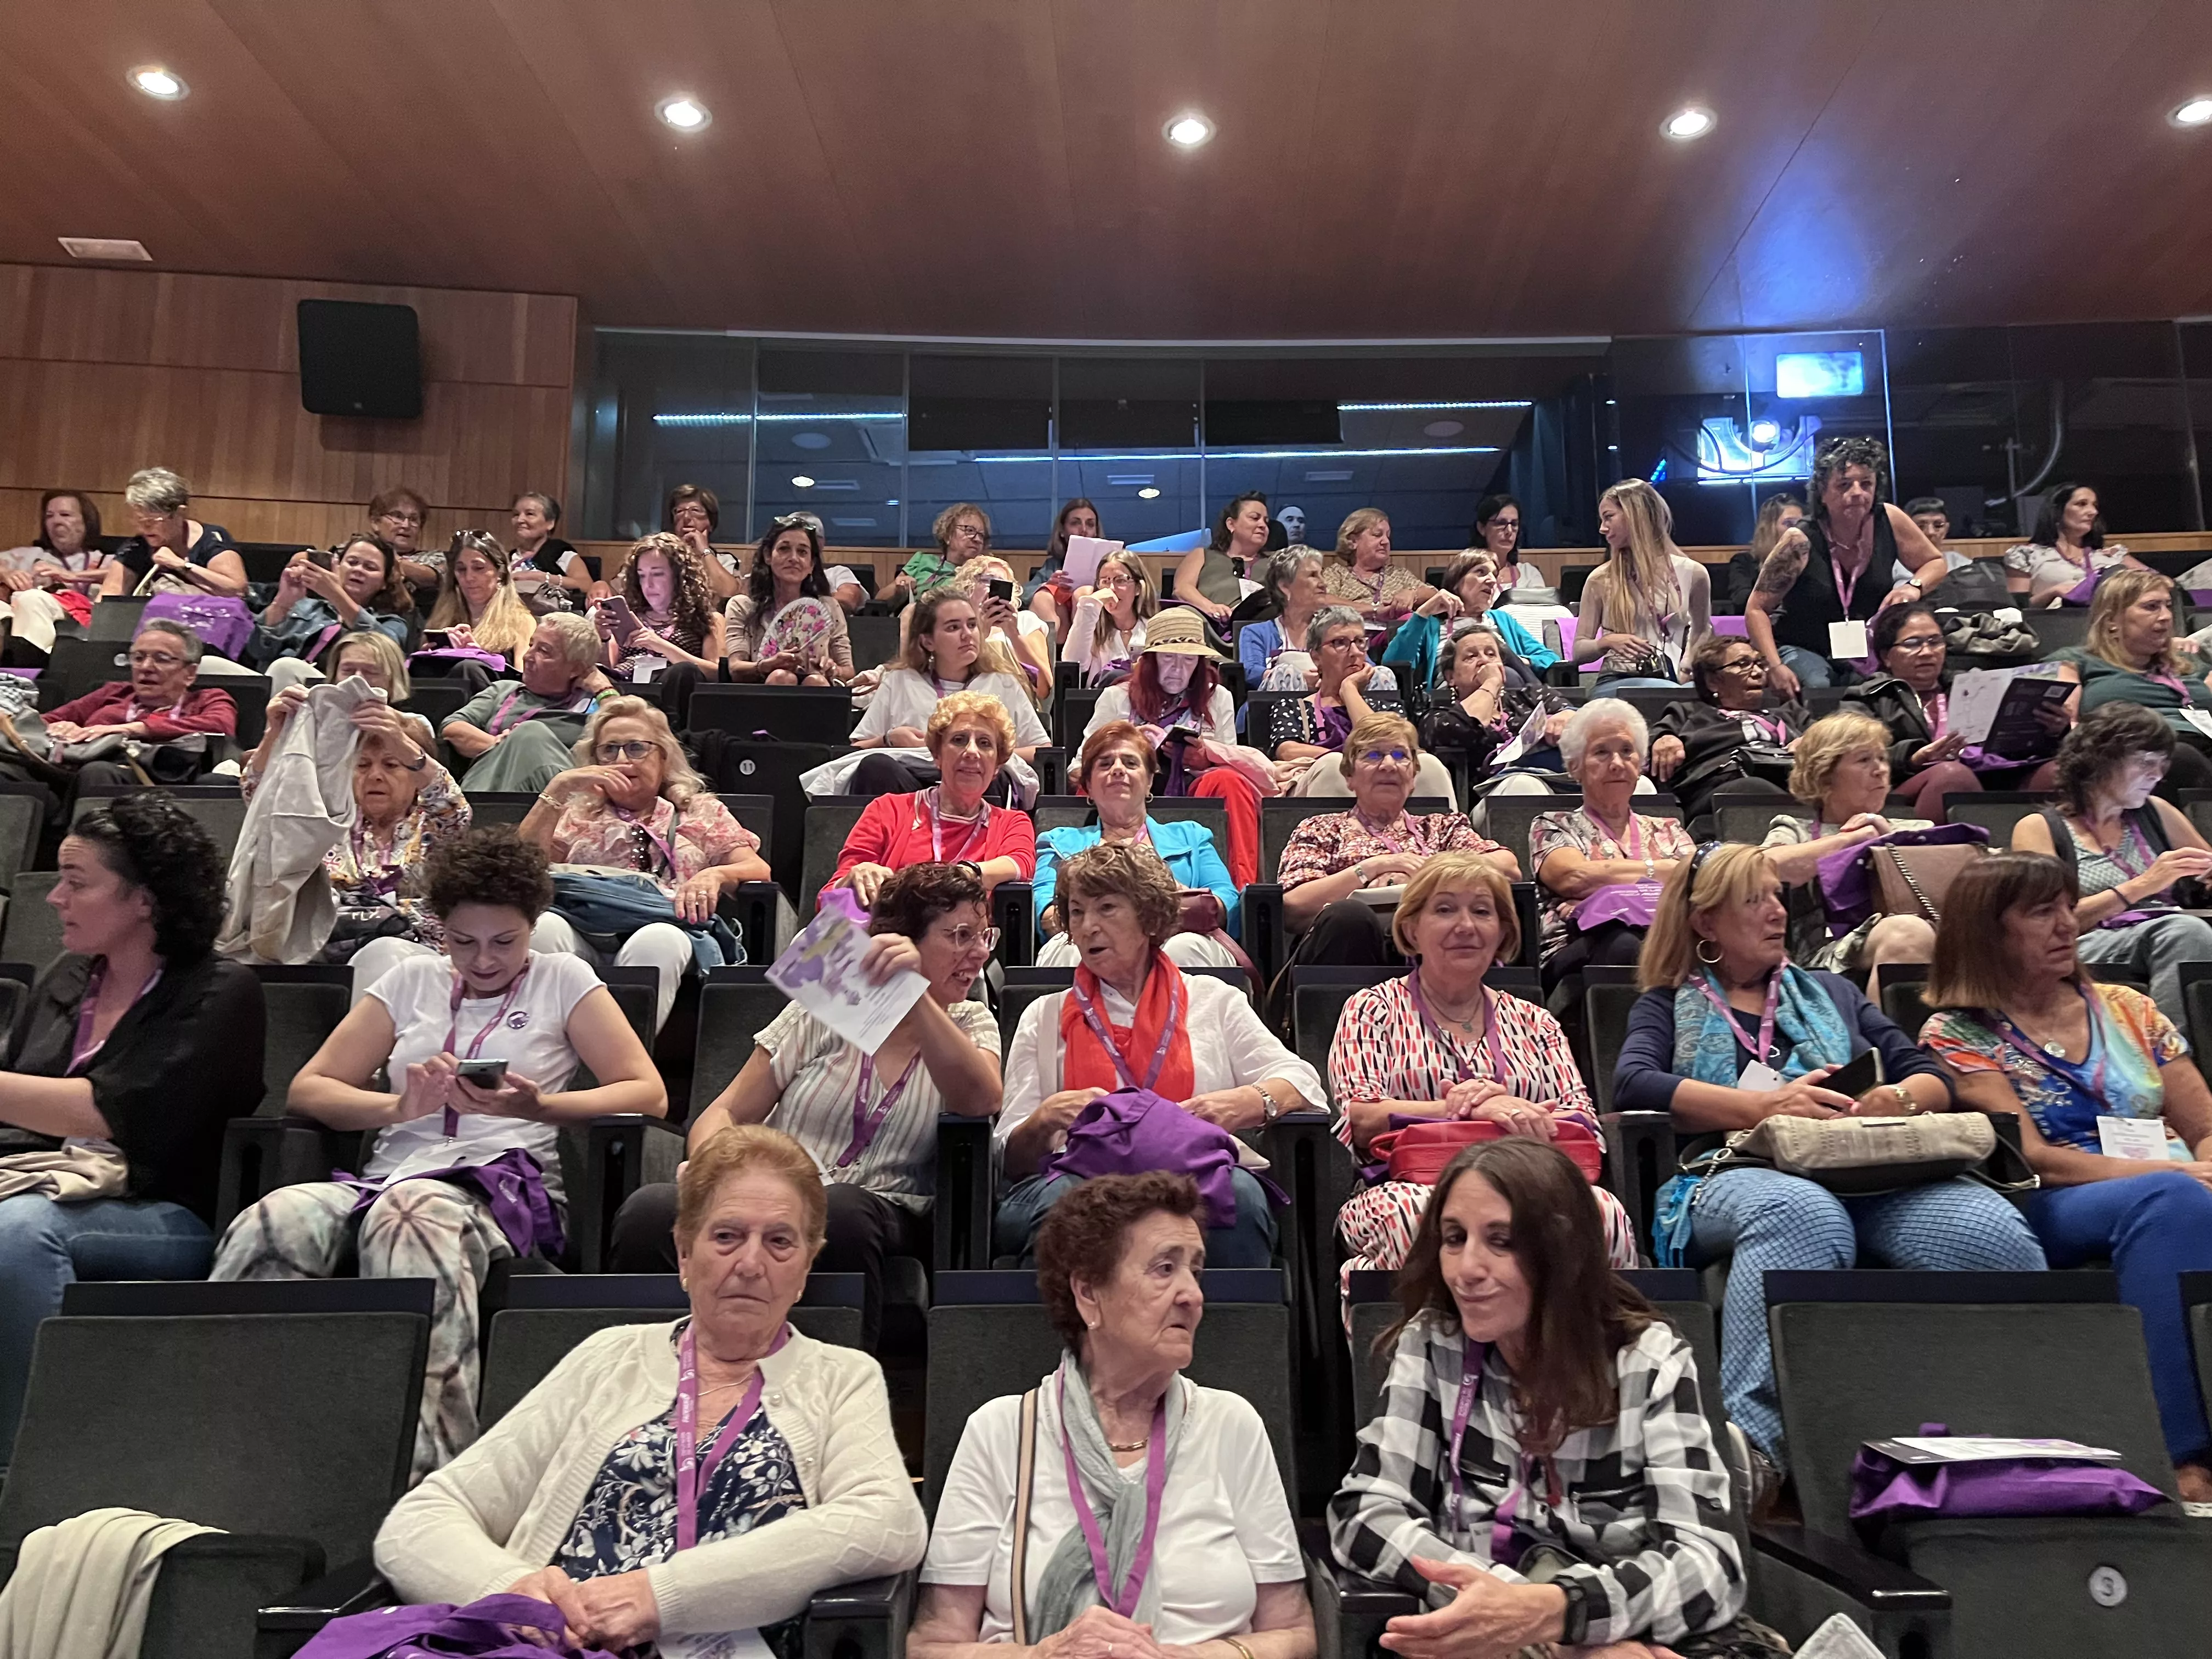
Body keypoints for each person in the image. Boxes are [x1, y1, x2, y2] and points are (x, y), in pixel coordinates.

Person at [212, 828, 665, 1475]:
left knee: (413, 1216)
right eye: (463, 942)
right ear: (439, 931)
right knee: (272, 1219)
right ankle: (240, 1449)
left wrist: (538, 1107)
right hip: (389, 1175)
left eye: (504, 942)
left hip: (503, 1187)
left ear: (533, 926)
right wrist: (397, 1109)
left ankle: (433, 1475)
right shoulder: (409, 980)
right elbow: (311, 1089)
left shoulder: (564, 979)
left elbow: (646, 1093)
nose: (483, 960)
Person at [375, 1126, 927, 1641]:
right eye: (727, 1236)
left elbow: (888, 1523)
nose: (752, 1263)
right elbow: (418, 1523)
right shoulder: (609, 1358)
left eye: (780, 1242)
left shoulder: (842, 1378)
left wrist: (661, 1595)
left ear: (807, 1267)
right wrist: (512, 1592)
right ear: (685, 1254)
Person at [1614, 844, 2045, 1488]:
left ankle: (2013, 1434)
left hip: (1867, 1167)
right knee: (1802, 1217)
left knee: (1991, 1235)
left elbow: (1929, 1076)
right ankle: (1752, 1456)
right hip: (1735, 1171)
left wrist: (1890, 1099)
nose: (1775, 911)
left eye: (1777, 896)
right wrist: (1766, 1106)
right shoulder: (1667, 1004)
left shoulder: (1834, 994)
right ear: (1706, 922)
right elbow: (1634, 1085)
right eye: (1753, 899)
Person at [1330, 1138, 1767, 1657]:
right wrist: (1520, 1615)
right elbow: (1364, 1514)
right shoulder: (1434, 1343)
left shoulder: (1649, 1361)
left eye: (1501, 1241)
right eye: (1454, 1238)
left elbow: (1710, 1563)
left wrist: (1565, 1613)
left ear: (1561, 1250)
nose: (1467, 1268)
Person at [913, 1172, 1316, 1659]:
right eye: (1165, 1269)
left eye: (1196, 1271)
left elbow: (1296, 1632)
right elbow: (932, 1644)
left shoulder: (1232, 1424)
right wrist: (1043, 1656)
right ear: (1088, 1294)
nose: (1192, 1294)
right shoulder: (1001, 1431)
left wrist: (1185, 1658)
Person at [1920, 855, 2212, 1500]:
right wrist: (2181, 1172)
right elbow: (2033, 1155)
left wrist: (2205, 1165)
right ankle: (2181, 1457)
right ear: (1989, 933)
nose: (2066, 924)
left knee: (2178, 1198)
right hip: (2051, 1201)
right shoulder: (1958, 1031)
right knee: (2168, 1198)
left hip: (2170, 1181)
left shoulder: (2127, 1009)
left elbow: (2202, 1122)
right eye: (2041, 912)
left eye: (2066, 906)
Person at [610, 866, 1002, 1344]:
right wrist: (716, 1168)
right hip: (772, 1187)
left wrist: (914, 998)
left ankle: (831, 1393)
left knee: (841, 1211)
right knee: (649, 1211)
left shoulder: (970, 1021)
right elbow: (728, 1112)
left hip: (880, 1204)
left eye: (983, 936)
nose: (979, 953)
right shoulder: (831, 1002)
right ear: (901, 940)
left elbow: (980, 1098)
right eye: (960, 936)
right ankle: (655, 1380)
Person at [0, 793, 261, 1449]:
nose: (55, 897)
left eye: (77, 882)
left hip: (161, 1208)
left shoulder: (220, 992)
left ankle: (31, 1463)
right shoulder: (68, 978)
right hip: (44, 1182)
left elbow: (116, 1114)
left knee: (18, 1236)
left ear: (144, 899)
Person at [998, 844, 1323, 1265]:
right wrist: (1042, 1122)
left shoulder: (1213, 999)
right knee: (1063, 1202)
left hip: (1188, 1173)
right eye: (1077, 913)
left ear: (1149, 919)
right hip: (1076, 1176)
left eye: (1107, 908)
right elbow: (1007, 1157)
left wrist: (1243, 1102)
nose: (1088, 927)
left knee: (1240, 1197)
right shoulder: (1044, 1015)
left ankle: (1233, 1331)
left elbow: (1301, 1081)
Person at [1329, 857, 1637, 1296]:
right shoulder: (1371, 1009)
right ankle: (1428, 1359)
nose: (1466, 926)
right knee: (1415, 1220)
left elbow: (1584, 1122)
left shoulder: (1535, 1021)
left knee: (1603, 1215)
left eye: (1482, 911)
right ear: (1412, 929)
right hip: (1411, 1184)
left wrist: (1522, 1116)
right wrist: (1474, 1108)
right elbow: (1359, 1117)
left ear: (1502, 932)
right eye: (1445, 910)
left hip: (1529, 1180)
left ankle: (1572, 1360)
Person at [523, 697, 770, 1030]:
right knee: (543, 929)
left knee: (659, 940)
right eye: (609, 750)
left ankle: (622, 1071)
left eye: (636, 748)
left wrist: (715, 875)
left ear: (663, 757)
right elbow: (520, 866)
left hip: (664, 925)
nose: (622, 760)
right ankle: (548, 1061)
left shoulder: (699, 812)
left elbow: (757, 869)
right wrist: (559, 788)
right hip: (583, 927)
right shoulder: (576, 815)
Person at [242, 679, 472, 996]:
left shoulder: (435, 824)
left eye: (391, 765)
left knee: (384, 956)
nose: (375, 775)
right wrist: (275, 733)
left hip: (415, 952)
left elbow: (456, 809)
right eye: (362, 764)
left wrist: (398, 740)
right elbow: (261, 800)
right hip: (323, 947)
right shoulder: (326, 818)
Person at [2010, 703, 2212, 1028]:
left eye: (2163, 764)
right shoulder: (2039, 828)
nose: (2158, 775)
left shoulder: (2157, 811)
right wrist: (2142, 885)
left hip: (2165, 931)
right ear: (2099, 760)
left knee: (2183, 931)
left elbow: (2206, 871)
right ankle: (2173, 1053)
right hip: (2084, 944)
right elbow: (2045, 922)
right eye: (2146, 762)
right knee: (2183, 932)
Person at [1278, 714, 1515, 972]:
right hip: (1345, 956)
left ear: (1413, 778)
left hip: (1431, 954)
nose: (1389, 765)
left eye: (1401, 756)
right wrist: (1374, 868)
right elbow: (1294, 908)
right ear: (1349, 777)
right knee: (1348, 917)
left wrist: (1426, 877)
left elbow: (1508, 867)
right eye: (1373, 755)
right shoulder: (1320, 828)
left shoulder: (1442, 826)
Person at [1744, 434, 1950, 695]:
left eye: (1866, 484)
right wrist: (1774, 666)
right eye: (1844, 485)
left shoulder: (1889, 519)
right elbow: (1756, 609)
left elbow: (1934, 562)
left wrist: (1913, 587)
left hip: (1864, 648)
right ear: (1822, 493)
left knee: (1887, 689)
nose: (1857, 493)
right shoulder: (1799, 540)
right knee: (1819, 687)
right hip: (1803, 646)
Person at [1035, 721, 1240, 969]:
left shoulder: (1191, 836)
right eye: (1105, 764)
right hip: (1090, 937)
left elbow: (1226, 901)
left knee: (1184, 947)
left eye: (1131, 763)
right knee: (1068, 949)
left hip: (1177, 936)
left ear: (1150, 781)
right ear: (1088, 786)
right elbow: (1047, 914)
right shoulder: (1058, 842)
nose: (1118, 770)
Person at [1082, 611, 1263, 885]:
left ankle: (1242, 890)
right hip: (1131, 786)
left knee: (1229, 781)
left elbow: (1231, 757)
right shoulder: (1117, 697)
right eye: (1168, 657)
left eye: (1189, 659)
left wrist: (1204, 757)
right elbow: (1079, 768)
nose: (1178, 669)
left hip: (1193, 786)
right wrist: (1128, 742)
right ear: (1150, 660)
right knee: (1098, 778)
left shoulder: (1218, 698)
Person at [1528, 699, 1695, 995]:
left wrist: (1609, 892)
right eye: (1602, 752)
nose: (1617, 763)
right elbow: (1573, 877)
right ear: (1574, 766)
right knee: (1625, 942)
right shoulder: (1553, 826)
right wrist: (1665, 873)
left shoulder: (1668, 828)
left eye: (1627, 751)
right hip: (1578, 949)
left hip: (1666, 937)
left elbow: (1697, 882)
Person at [1758, 712, 1938, 981]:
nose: (1880, 770)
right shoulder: (1795, 830)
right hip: (1827, 956)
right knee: (1905, 933)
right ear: (1825, 776)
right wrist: (1850, 840)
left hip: (1929, 938)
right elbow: (1760, 868)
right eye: (1864, 760)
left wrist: (1889, 843)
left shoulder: (1918, 830)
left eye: (1882, 758)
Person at [1845, 601, 2058, 817]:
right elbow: (1850, 757)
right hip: (1912, 782)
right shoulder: (1867, 696)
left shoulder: (1974, 684)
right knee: (1953, 776)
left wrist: (2052, 730)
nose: (1927, 652)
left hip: (1990, 774)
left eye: (1935, 642)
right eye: (1913, 643)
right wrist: (1912, 757)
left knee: (2058, 772)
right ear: (1886, 657)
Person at [830, 692, 1039, 907]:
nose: (972, 752)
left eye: (985, 743)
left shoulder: (1011, 823)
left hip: (965, 937)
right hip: (889, 936)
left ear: (997, 765)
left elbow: (1021, 863)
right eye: (959, 740)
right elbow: (832, 893)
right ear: (937, 755)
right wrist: (858, 874)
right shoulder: (887, 809)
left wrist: (969, 872)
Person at [12, 620, 239, 811]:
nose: (146, 667)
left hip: (157, 780)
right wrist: (62, 727)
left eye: (161, 658)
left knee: (99, 771)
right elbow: (45, 721)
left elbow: (220, 725)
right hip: (72, 770)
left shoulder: (207, 699)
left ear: (189, 674)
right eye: (138, 658)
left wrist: (131, 729)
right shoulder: (114, 692)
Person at [2045, 568, 2212, 794]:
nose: (2166, 616)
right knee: (2181, 758)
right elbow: (2069, 723)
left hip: (2204, 743)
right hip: (2136, 752)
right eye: (2151, 607)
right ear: (2112, 620)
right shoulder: (2077, 661)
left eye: (2168, 606)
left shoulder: (2187, 662)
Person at [850, 590, 1047, 774]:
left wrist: (988, 754)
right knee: (876, 767)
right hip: (915, 780)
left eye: (972, 625)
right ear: (928, 642)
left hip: (982, 781)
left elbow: (1042, 751)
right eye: (953, 627)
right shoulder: (900, 681)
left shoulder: (1003, 683)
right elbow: (854, 750)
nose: (967, 634)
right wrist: (888, 739)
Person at [441, 613, 613, 795]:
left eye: (544, 651)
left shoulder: (591, 706)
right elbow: (453, 727)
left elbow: (626, 730)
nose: (528, 656)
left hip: (558, 798)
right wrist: (504, 745)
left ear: (576, 669)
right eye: (531, 645)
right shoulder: (504, 690)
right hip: (497, 786)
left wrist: (603, 688)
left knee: (531, 733)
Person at [1648, 637, 1811, 828]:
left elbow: (1835, 736)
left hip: (1789, 780)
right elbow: (1653, 737)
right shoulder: (1688, 713)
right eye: (1743, 664)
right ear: (1713, 681)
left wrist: (1813, 740)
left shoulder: (1790, 714)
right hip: (1718, 791)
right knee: (1750, 787)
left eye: (1759, 663)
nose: (1758, 673)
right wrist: (1664, 738)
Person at [1254, 606, 1420, 788]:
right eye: (1340, 643)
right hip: (1315, 784)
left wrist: (1349, 690)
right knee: (1333, 766)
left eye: (1359, 641)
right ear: (1316, 657)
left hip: (1381, 780)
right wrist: (1351, 762)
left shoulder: (1386, 708)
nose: (1355, 652)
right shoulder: (1293, 706)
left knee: (1430, 765)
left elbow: (1386, 744)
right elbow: (1287, 750)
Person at [1572, 479, 1712, 689]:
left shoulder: (1694, 573)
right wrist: (1608, 642)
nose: (1602, 528)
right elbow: (1579, 650)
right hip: (1618, 679)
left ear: (1635, 515)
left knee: (1694, 694)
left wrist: (1687, 665)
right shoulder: (1600, 579)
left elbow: (1702, 630)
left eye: (1609, 517)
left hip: (1670, 678)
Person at [1414, 624, 1572, 782]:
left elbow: (1571, 712)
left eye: (1491, 654)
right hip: (1489, 799)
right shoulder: (1437, 717)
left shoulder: (1531, 696)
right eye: (1471, 656)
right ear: (1451, 677)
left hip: (1554, 782)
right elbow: (1461, 729)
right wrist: (1491, 682)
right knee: (1523, 782)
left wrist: (1567, 717)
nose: (1484, 660)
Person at [251, 532, 414, 680]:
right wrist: (282, 602)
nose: (358, 570)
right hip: (276, 682)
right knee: (225, 670)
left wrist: (337, 595)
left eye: (370, 567)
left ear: (384, 583)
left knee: (286, 667)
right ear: (338, 567)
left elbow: (385, 654)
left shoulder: (393, 623)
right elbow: (258, 651)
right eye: (352, 562)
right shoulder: (307, 607)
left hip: (335, 692)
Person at [724, 516, 853, 684]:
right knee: (782, 677)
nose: (793, 558)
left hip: (816, 687)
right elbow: (735, 668)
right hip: (761, 693)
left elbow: (849, 671)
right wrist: (766, 666)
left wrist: (833, 669)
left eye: (802, 552)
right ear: (768, 556)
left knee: (816, 682)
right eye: (784, 549)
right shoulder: (742, 606)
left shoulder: (828, 606)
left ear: (811, 565)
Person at [100, 466, 247, 601]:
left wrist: (179, 564)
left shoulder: (212, 539)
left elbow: (237, 589)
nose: (144, 529)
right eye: (139, 520)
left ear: (180, 513)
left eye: (152, 521)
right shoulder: (137, 546)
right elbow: (109, 596)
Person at [2004, 482, 2143, 606]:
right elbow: (2014, 610)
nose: (2093, 512)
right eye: (2082, 504)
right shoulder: (2027, 555)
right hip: (2052, 627)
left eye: (2095, 506)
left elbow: (2159, 584)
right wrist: (2053, 592)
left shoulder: (2111, 555)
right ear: (2058, 511)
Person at [1, 489, 109, 649]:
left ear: (86, 521)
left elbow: (126, 575)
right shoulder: (30, 556)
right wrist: (5, 574)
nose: (56, 521)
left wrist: (72, 576)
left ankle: (31, 668)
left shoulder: (107, 560)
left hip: (87, 622)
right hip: (28, 617)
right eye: (49, 516)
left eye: (65, 515)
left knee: (32, 599)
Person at [423, 530, 539, 674]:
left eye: (479, 568)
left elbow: (523, 677)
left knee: (469, 668)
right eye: (461, 569)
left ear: (501, 574)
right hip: (447, 693)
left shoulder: (520, 621)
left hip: (495, 693)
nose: (469, 577)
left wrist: (478, 657)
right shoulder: (441, 621)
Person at [1429, 550, 1555, 668]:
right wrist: (1422, 613)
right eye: (1481, 572)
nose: (1492, 581)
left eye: (1494, 575)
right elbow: (1408, 661)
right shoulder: (1432, 625)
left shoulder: (1502, 619)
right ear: (1456, 582)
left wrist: (1516, 662)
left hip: (1505, 689)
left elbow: (1549, 658)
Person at [1239, 546, 1333, 692]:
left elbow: (1364, 664)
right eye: (1313, 575)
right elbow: (1251, 672)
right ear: (1284, 586)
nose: (1324, 583)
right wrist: (1294, 679)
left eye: (1322, 574)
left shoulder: (1333, 630)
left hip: (1327, 705)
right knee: (1285, 674)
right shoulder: (1256, 633)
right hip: (1271, 708)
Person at [1322, 508, 1434, 627]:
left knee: (1415, 620)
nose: (1386, 541)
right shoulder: (1336, 573)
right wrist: (1374, 611)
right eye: (1377, 535)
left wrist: (1413, 594)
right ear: (1353, 542)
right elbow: (1322, 601)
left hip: (1396, 637)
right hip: (1352, 636)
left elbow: (1434, 594)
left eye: (1388, 536)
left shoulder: (1398, 574)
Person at [963, 555, 1056, 696]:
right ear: (969, 587)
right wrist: (981, 633)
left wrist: (1014, 635)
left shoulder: (1025, 621)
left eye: (1002, 584)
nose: (994, 588)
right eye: (988, 580)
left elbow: (1043, 688)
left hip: (1016, 703)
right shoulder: (959, 626)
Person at [1060, 549, 1154, 685]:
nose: (1111, 589)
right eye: (1105, 582)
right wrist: (1090, 606)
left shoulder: (1154, 628)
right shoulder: (1092, 625)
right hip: (1099, 701)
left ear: (1138, 588)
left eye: (1120, 581)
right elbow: (1073, 664)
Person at [1176, 491, 1269, 623]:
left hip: (1263, 626)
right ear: (1231, 524)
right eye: (1255, 518)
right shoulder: (1203, 555)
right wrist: (1211, 608)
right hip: (1209, 625)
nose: (1263, 525)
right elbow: (1182, 589)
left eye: (1266, 521)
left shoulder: (1276, 561)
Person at [883, 503, 991, 603]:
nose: (978, 539)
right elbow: (880, 599)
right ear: (948, 535)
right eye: (970, 530)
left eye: (982, 535)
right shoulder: (922, 561)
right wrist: (900, 589)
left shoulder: (983, 575)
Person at [1025, 496, 1104, 630]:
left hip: (1100, 628)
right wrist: (1048, 585)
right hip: (1061, 629)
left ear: (1096, 532)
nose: (1084, 530)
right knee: (1043, 596)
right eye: (1075, 523)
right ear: (1062, 531)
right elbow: (1024, 594)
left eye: (1090, 524)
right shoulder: (1054, 565)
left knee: (1085, 595)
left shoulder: (1109, 565)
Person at [509, 492, 591, 606]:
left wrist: (540, 577)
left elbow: (586, 584)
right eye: (516, 515)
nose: (520, 520)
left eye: (530, 514)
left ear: (550, 523)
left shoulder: (562, 554)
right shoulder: (507, 558)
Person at [666, 482, 744, 601]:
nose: (686, 517)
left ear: (711, 523)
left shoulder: (725, 560)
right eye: (679, 511)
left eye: (695, 510)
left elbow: (729, 592)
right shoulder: (664, 558)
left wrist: (704, 551)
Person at [1471, 492, 1546, 593]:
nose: (1509, 531)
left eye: (1514, 524)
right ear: (1482, 528)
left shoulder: (1529, 573)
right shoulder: (1469, 576)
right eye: (1501, 523)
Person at [1894, 495, 1972, 589]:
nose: (1931, 532)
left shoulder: (1959, 561)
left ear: (1946, 529)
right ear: (1907, 530)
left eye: (1938, 526)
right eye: (1920, 526)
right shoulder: (1896, 566)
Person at [373, 487, 439, 588]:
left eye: (413, 519)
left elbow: (433, 577)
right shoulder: (350, 552)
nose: (406, 525)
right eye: (397, 517)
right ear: (376, 522)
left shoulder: (434, 559)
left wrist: (386, 560)